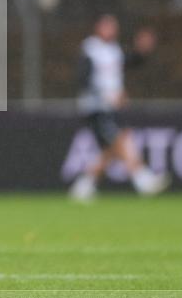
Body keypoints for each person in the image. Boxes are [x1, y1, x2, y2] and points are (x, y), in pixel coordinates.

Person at [69, 14, 169, 201]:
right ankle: (143, 179)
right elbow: (82, 79)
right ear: (98, 27)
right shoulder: (90, 49)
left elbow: (129, 61)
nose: (112, 30)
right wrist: (107, 95)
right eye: (108, 26)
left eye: (114, 27)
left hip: (110, 108)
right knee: (122, 141)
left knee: (110, 151)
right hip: (96, 108)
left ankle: (83, 186)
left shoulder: (113, 50)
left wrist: (141, 52)